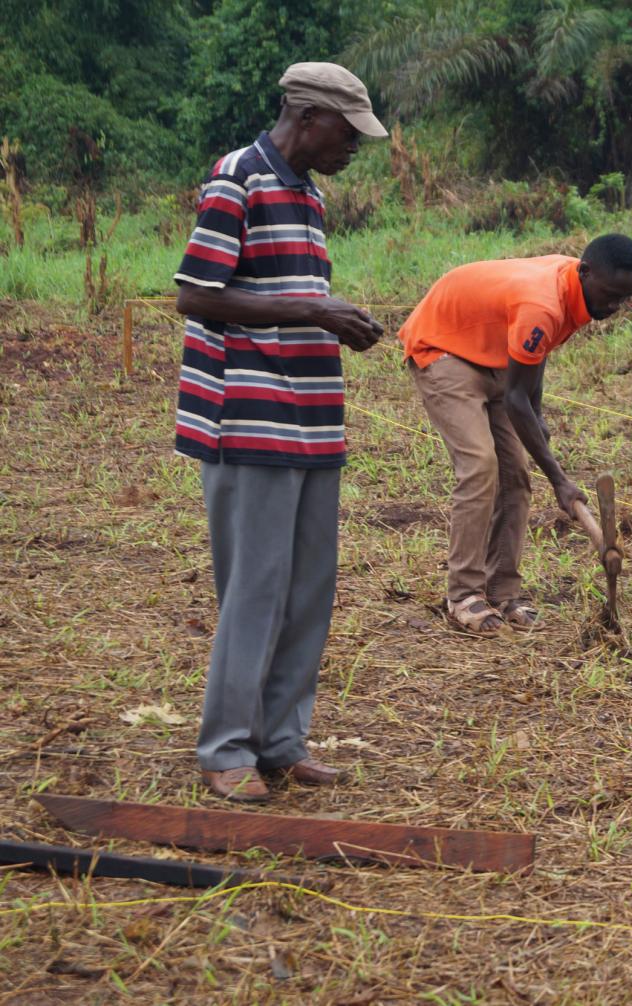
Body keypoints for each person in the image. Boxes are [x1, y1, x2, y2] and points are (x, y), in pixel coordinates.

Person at [173, 63, 388, 802]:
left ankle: (281, 741)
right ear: (307, 116)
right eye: (348, 133)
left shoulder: (308, 194)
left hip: (311, 417)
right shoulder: (238, 178)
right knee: (256, 587)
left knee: (308, 588)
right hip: (247, 415)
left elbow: (285, 292)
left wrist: (332, 319)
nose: (353, 148)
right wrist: (316, 311)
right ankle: (226, 748)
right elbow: (195, 294)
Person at [398, 236, 632, 634]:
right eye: (611, 295)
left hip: (495, 355)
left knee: (515, 473)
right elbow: (517, 396)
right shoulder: (542, 302)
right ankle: (463, 593)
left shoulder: (581, 287)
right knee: (480, 465)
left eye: (624, 298)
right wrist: (560, 481)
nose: (615, 306)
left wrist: (538, 411)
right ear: (585, 272)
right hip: (443, 348)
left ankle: (502, 590)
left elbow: (538, 348)